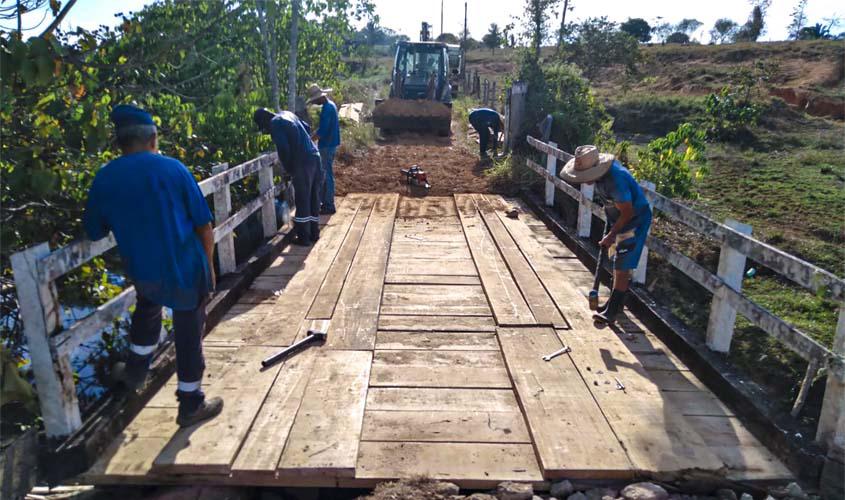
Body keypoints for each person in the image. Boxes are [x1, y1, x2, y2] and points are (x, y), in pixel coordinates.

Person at [83, 104, 222, 428]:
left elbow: (94, 231)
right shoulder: (173, 170)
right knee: (189, 332)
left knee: (147, 313)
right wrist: (210, 267)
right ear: (153, 138)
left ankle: (135, 373)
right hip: (186, 269)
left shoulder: (105, 178)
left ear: (120, 143)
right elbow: (203, 225)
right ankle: (190, 404)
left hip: (145, 272)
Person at [559, 145, 653, 326]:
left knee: (622, 265)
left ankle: (612, 312)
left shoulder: (616, 180)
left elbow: (628, 213)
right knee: (617, 262)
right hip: (617, 218)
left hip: (634, 220)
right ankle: (615, 305)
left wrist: (611, 234)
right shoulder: (601, 177)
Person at [254, 108, 323, 245]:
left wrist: (289, 169)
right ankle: (314, 233)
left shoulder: (275, 123)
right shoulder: (288, 114)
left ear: (264, 120)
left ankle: (304, 238)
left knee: (302, 200)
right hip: (315, 156)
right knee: (313, 197)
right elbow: (307, 127)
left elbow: (283, 148)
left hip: (302, 161)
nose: (267, 131)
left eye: (264, 127)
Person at [306, 83, 340, 215]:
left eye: (315, 100)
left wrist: (309, 140)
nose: (316, 103)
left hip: (327, 145)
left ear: (320, 98)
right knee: (327, 174)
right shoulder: (330, 105)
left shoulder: (327, 109)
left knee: (326, 175)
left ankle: (328, 204)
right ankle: (327, 202)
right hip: (331, 143)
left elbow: (323, 131)